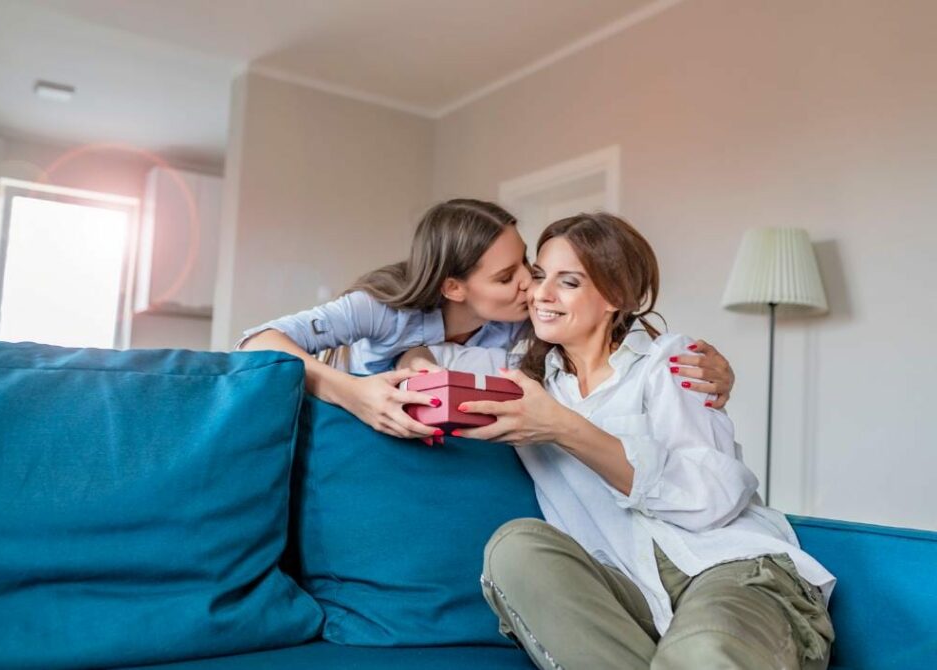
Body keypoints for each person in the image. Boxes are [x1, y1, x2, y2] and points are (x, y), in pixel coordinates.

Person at [406, 212, 835, 669]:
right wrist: (414, 361)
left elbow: (713, 499)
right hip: (626, 594)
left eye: (568, 282)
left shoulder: (671, 361)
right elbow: (408, 348)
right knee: (515, 548)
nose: (541, 295)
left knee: (699, 655)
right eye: (538, 276)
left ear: (614, 295)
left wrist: (564, 428)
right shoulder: (520, 375)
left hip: (727, 569)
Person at [239, 198, 735, 444]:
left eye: (529, 264)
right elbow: (257, 341)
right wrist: (352, 390)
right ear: (454, 288)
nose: (532, 286)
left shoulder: (528, 325)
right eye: (507, 277)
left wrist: (707, 371)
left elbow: (607, 337)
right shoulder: (382, 305)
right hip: (360, 439)